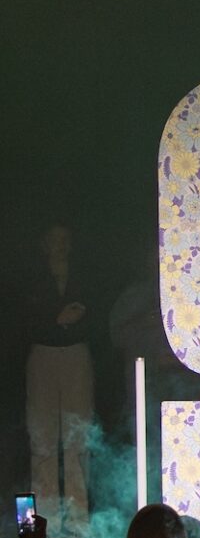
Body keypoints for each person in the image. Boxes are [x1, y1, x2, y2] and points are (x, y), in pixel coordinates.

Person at [22, 222, 95, 522]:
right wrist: (56, 321)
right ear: (44, 245)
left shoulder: (85, 276)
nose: (60, 245)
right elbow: (21, 321)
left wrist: (69, 321)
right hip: (43, 354)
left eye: (65, 239)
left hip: (76, 353)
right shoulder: (32, 278)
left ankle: (79, 517)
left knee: (78, 434)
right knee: (43, 435)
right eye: (54, 239)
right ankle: (45, 520)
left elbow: (98, 316)